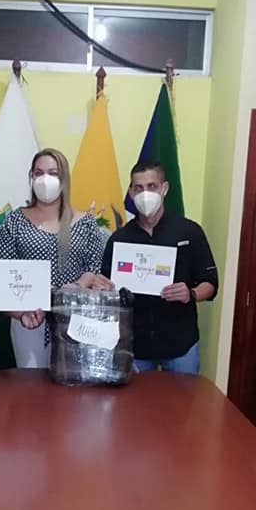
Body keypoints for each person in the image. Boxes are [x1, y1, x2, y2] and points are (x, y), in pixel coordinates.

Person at [0, 148, 112, 368]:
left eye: (53, 173)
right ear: (31, 177)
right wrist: (20, 313)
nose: (45, 179)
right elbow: (3, 272)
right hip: (29, 319)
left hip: (75, 317)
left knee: (71, 381)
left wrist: (77, 286)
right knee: (31, 383)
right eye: (38, 173)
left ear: (64, 178)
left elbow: (94, 267)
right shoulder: (15, 221)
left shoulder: (85, 222)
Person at [101, 160, 218, 374]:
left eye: (152, 186)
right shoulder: (119, 239)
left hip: (180, 344)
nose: (145, 194)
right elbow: (107, 287)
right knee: (136, 398)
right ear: (131, 193)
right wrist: (103, 288)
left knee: (183, 397)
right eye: (139, 188)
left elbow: (211, 284)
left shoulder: (189, 232)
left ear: (164, 188)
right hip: (135, 345)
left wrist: (190, 294)